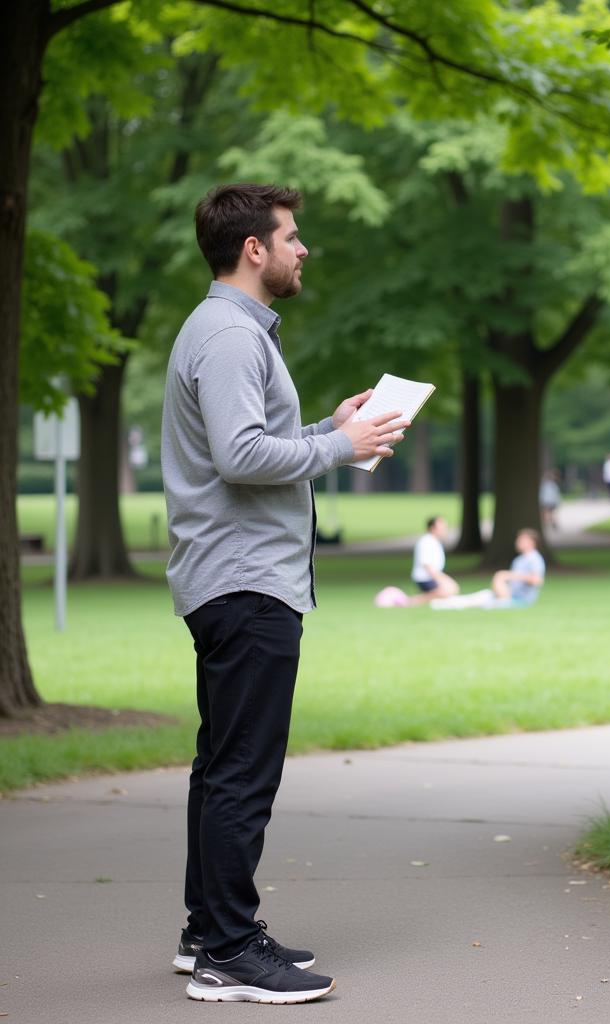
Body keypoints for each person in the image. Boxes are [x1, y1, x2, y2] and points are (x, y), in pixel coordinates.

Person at [161, 183, 408, 1004]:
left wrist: (326, 431)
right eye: (293, 237)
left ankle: (210, 933)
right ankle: (230, 951)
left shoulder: (227, 332)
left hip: (234, 579)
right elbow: (237, 457)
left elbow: (255, 445)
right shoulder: (231, 335)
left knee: (220, 766)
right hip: (245, 583)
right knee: (243, 774)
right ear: (253, 249)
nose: (304, 250)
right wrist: (340, 447)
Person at [431, 529, 546, 610]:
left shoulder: (534, 559)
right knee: (479, 597)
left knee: (483, 599)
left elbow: (537, 580)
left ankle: (446, 604)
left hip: (519, 599)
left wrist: (509, 575)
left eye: (522, 540)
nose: (518, 542)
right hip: (507, 595)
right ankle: (446, 603)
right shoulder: (519, 559)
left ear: (531, 542)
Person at [408, 516, 459, 603]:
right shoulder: (426, 542)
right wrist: (441, 579)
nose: (444, 529)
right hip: (425, 577)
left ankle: (426, 597)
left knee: (452, 589)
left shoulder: (433, 541)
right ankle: (417, 600)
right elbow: (427, 565)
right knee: (451, 589)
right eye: (441, 527)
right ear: (432, 528)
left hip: (432, 576)